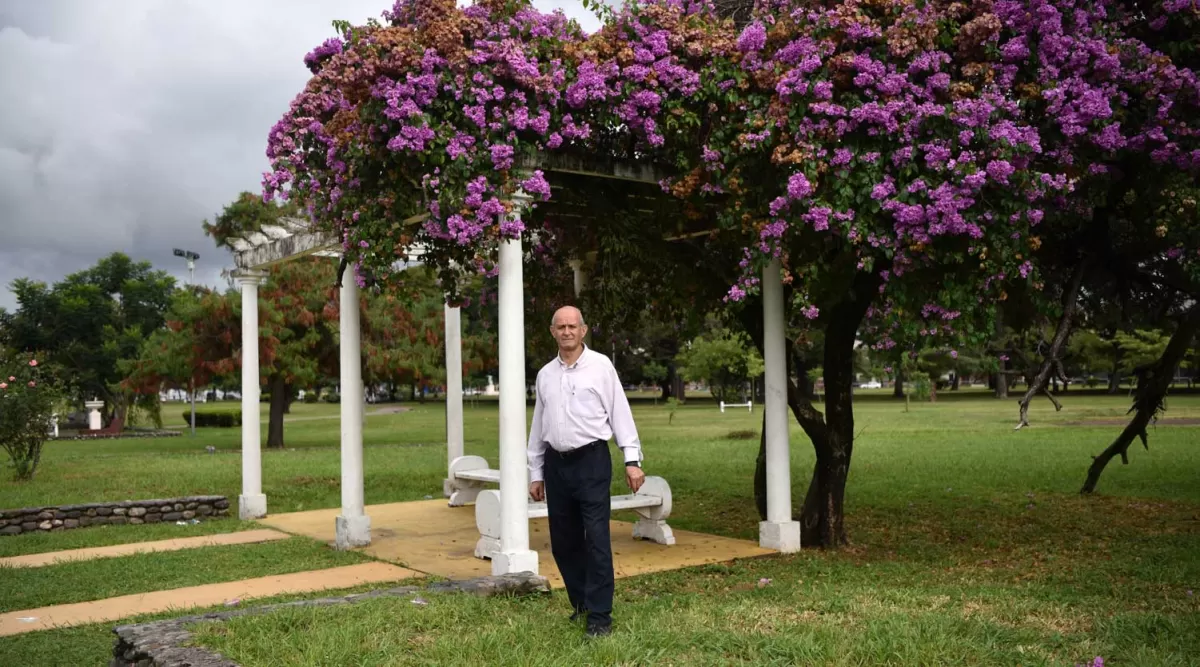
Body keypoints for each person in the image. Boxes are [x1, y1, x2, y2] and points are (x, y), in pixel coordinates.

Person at [527, 305, 645, 638]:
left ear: (583, 330)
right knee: (563, 543)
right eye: (560, 326)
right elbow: (540, 425)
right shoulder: (546, 374)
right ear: (553, 332)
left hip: (592, 462)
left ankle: (600, 617)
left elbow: (619, 413)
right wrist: (536, 471)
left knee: (595, 540)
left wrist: (632, 461)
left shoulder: (601, 367)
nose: (566, 331)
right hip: (556, 465)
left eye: (572, 326)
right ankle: (581, 604)